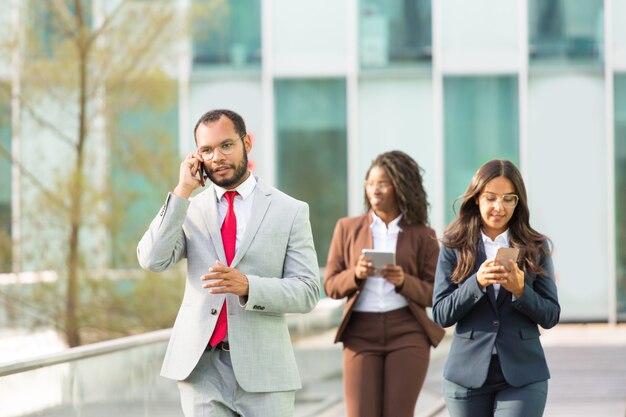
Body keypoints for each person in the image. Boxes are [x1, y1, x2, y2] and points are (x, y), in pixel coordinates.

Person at [137, 109, 320, 417]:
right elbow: (152, 259)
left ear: (246, 142)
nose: (217, 157)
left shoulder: (290, 211)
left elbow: (308, 291)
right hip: (201, 371)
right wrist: (182, 191)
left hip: (265, 372)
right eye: (206, 150)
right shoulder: (189, 210)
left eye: (226, 145)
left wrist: (249, 286)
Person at [432, 159, 560, 417]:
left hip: (523, 374)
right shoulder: (454, 246)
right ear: (477, 199)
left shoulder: (536, 247)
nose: (499, 207)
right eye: (490, 198)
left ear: (518, 202)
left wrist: (521, 290)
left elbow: (550, 315)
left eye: (508, 198)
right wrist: (476, 282)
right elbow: (441, 314)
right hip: (466, 375)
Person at [324, 151, 445, 417]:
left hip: (408, 332)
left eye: (383, 184)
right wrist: (356, 273)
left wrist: (404, 281)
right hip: (360, 334)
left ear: (400, 186)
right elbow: (331, 284)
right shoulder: (347, 228)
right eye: (370, 183)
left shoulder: (423, 235)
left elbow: (436, 293)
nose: (374, 190)